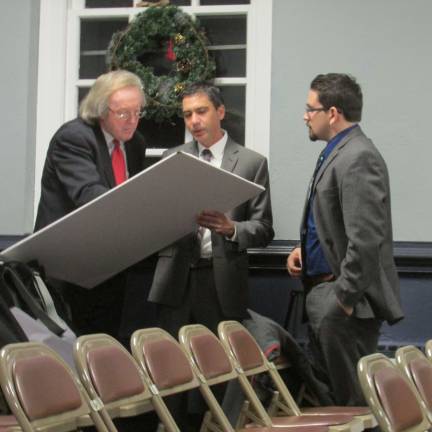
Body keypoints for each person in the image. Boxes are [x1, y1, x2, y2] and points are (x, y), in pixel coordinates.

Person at [287, 73, 404, 406]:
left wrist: (343, 299)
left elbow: (366, 239)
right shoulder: (340, 152)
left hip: (343, 304)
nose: (305, 116)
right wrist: (305, 252)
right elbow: (338, 224)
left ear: (333, 113)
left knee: (351, 408)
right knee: (338, 404)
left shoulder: (358, 156)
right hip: (328, 294)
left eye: (311, 109)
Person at [149, 82, 274, 335]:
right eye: (187, 114)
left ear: (220, 112)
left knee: (222, 365)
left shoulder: (252, 163)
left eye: (201, 111)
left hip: (223, 281)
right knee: (172, 365)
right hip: (174, 278)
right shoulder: (172, 158)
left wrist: (232, 229)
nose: (194, 121)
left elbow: (264, 229)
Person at [34, 70, 147, 339]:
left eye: (137, 112)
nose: (132, 121)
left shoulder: (135, 144)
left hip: (109, 264)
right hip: (67, 265)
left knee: (105, 347)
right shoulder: (74, 137)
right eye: (123, 113)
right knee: (68, 353)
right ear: (100, 110)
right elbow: (89, 195)